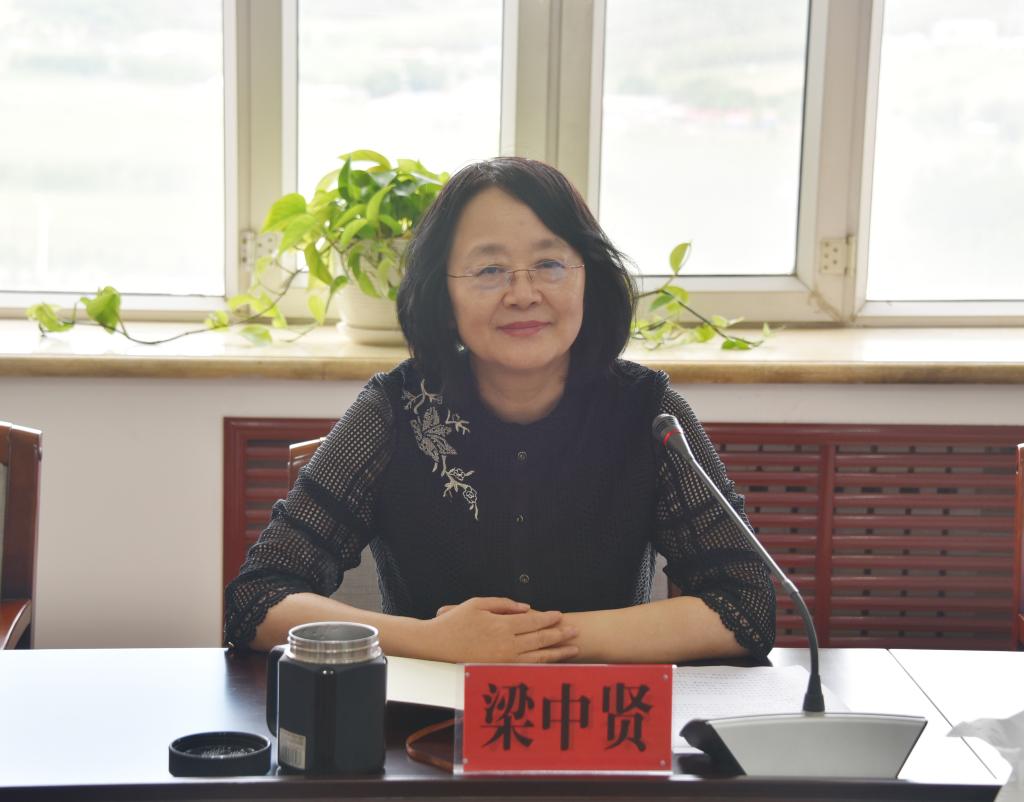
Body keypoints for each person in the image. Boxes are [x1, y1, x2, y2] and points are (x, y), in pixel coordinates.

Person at [224, 156, 775, 664]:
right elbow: (258, 599)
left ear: (588, 278)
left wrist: (539, 641)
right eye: (489, 270)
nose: (523, 293)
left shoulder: (649, 413)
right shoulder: (395, 410)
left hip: (598, 721)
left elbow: (747, 605)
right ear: (443, 295)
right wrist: (435, 641)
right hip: (430, 726)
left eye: (549, 263)